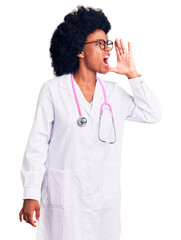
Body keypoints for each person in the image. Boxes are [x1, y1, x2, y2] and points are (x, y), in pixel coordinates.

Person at [19, 5, 162, 240]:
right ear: (79, 51)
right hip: (64, 199)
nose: (108, 49)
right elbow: (37, 144)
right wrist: (30, 193)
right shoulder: (54, 91)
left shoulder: (114, 95)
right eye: (100, 44)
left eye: (107, 43)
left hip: (103, 204)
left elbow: (153, 113)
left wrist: (132, 75)